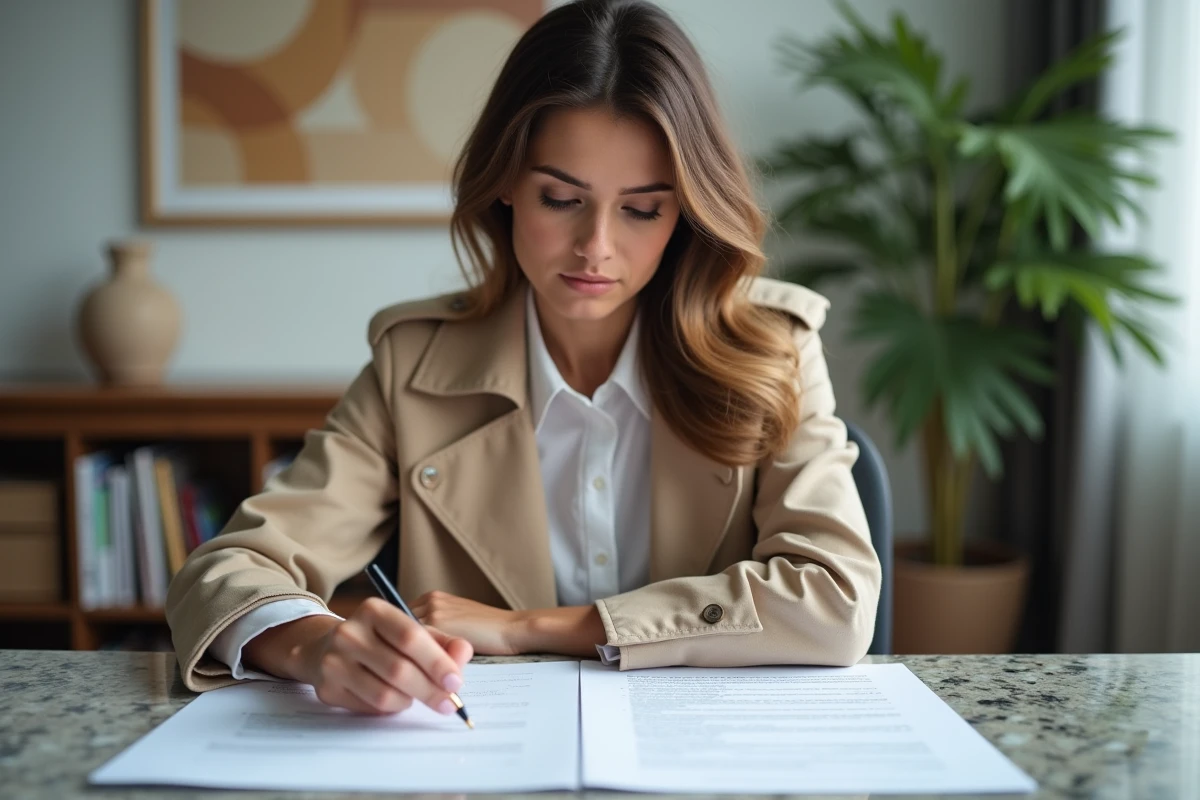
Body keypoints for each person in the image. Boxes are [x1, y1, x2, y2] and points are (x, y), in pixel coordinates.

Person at [166, 0, 881, 719]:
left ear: (687, 211)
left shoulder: (773, 347)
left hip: (708, 752)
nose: (596, 246)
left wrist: (535, 627)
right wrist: (316, 645)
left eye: (641, 209)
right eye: (561, 198)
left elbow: (835, 600)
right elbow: (229, 569)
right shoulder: (414, 366)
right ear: (507, 183)